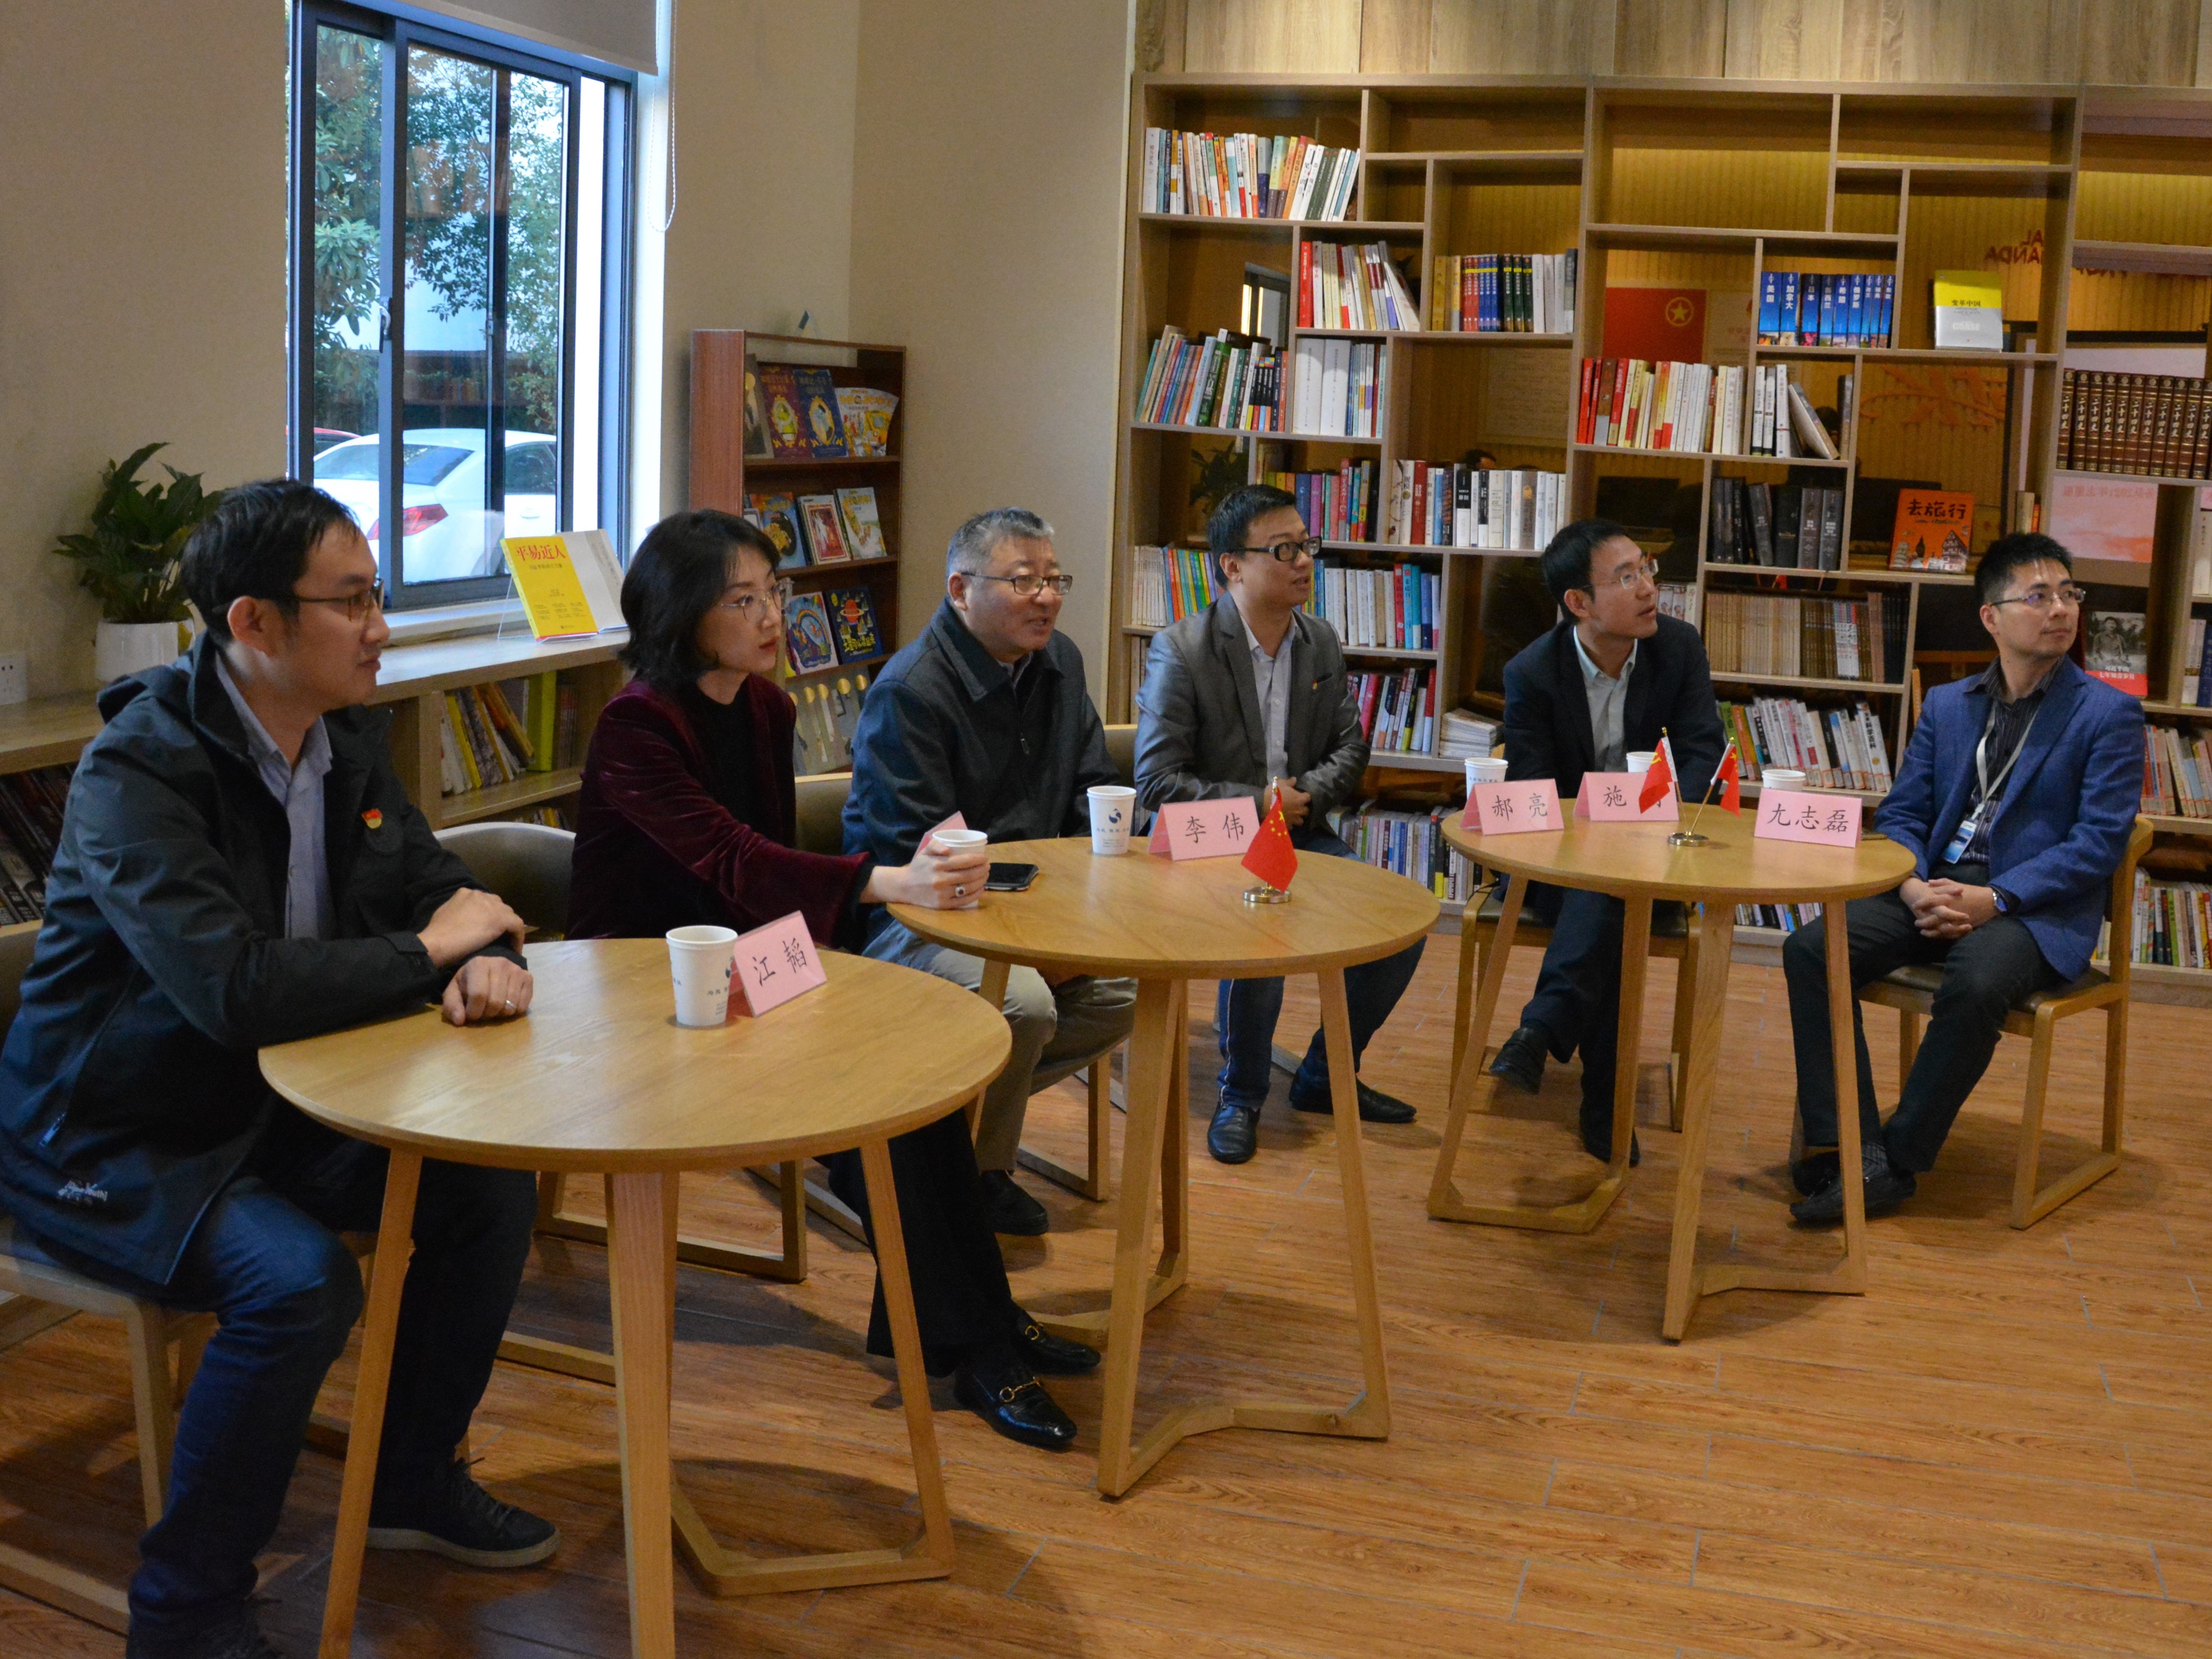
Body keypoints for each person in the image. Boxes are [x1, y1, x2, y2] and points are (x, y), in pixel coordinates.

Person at [0, 481, 555, 1659]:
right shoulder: (138, 772)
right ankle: (184, 1611)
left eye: (377, 595)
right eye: (352, 602)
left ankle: (407, 1480)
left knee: (487, 1184)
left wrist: (488, 955)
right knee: (299, 1283)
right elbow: (231, 990)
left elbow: (444, 892)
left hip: (264, 1105)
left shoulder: (343, 745)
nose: (380, 627)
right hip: (106, 1131)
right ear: (253, 622)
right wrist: (431, 952)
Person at [567, 509, 1097, 1449]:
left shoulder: (766, 709)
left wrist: (837, 965)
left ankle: (973, 1323)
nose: (773, 615)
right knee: (888, 1101)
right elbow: (733, 859)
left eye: (775, 592)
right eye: (743, 599)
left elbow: (765, 876)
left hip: (748, 972)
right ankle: (978, 1339)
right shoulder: (636, 724)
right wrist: (887, 883)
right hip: (647, 992)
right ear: (684, 613)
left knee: (918, 1080)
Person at [1782, 532, 2143, 1224]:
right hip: (1935, 887)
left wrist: (1995, 897)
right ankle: (1850, 1143)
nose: (2060, 609)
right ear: (1991, 617)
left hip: (2031, 907)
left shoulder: (2108, 714)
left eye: (2069, 594)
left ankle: (1897, 1158)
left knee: (1977, 980)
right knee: (1812, 949)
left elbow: (2098, 842)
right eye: (2039, 596)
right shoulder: (1949, 706)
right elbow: (1902, 815)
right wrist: (1914, 886)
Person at [843, 508, 1138, 1236]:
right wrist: (1038, 943)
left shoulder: (1059, 663)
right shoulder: (912, 690)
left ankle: (942, 1128)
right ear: (960, 590)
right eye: (1023, 581)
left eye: (1054, 580)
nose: (1047, 598)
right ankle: (976, 1174)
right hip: (912, 919)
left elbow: (1089, 791)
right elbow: (925, 861)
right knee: (1023, 1004)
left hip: (1032, 907)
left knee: (1124, 991)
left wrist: (1077, 923)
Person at [1132, 484, 1424, 1164]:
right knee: (1266, 914)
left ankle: (1323, 1076)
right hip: (1213, 843)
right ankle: (1240, 1094)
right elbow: (1157, 782)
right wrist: (1262, 804)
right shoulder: (1183, 649)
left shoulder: (1318, 641)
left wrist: (1299, 801)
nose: (1304, 562)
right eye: (1284, 550)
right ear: (1233, 566)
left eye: (1306, 545)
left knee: (1398, 923)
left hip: (1299, 828)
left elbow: (1350, 748)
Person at [1486, 519, 1725, 1165]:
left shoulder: (1678, 648)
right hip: (1559, 864)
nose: (1648, 588)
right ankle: (1604, 1102)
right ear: (1579, 603)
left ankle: (1543, 1026)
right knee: (1609, 896)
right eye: (1626, 578)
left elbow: (1703, 752)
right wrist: (1598, 843)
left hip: (1656, 853)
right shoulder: (1532, 672)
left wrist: (1656, 820)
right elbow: (1532, 788)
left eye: (1646, 568)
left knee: (1617, 892)